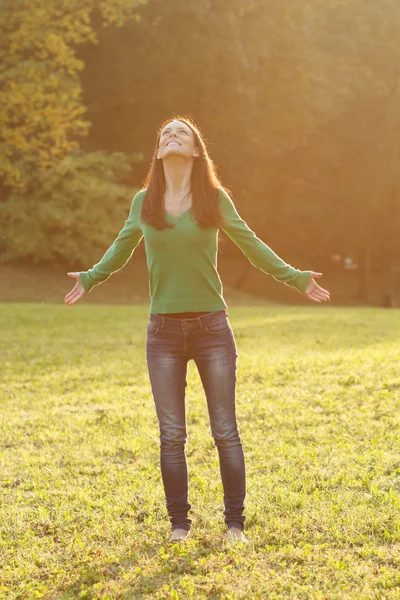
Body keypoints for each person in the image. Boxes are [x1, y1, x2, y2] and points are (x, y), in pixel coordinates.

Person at [65, 116, 330, 544]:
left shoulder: (214, 199)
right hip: (162, 334)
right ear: (158, 152)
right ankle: (179, 526)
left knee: (225, 430)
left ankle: (234, 525)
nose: (171, 135)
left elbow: (251, 244)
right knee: (172, 435)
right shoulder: (143, 202)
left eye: (181, 133)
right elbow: (121, 247)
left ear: (194, 151)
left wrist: (295, 277)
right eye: (165, 133)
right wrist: (91, 277)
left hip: (212, 330)